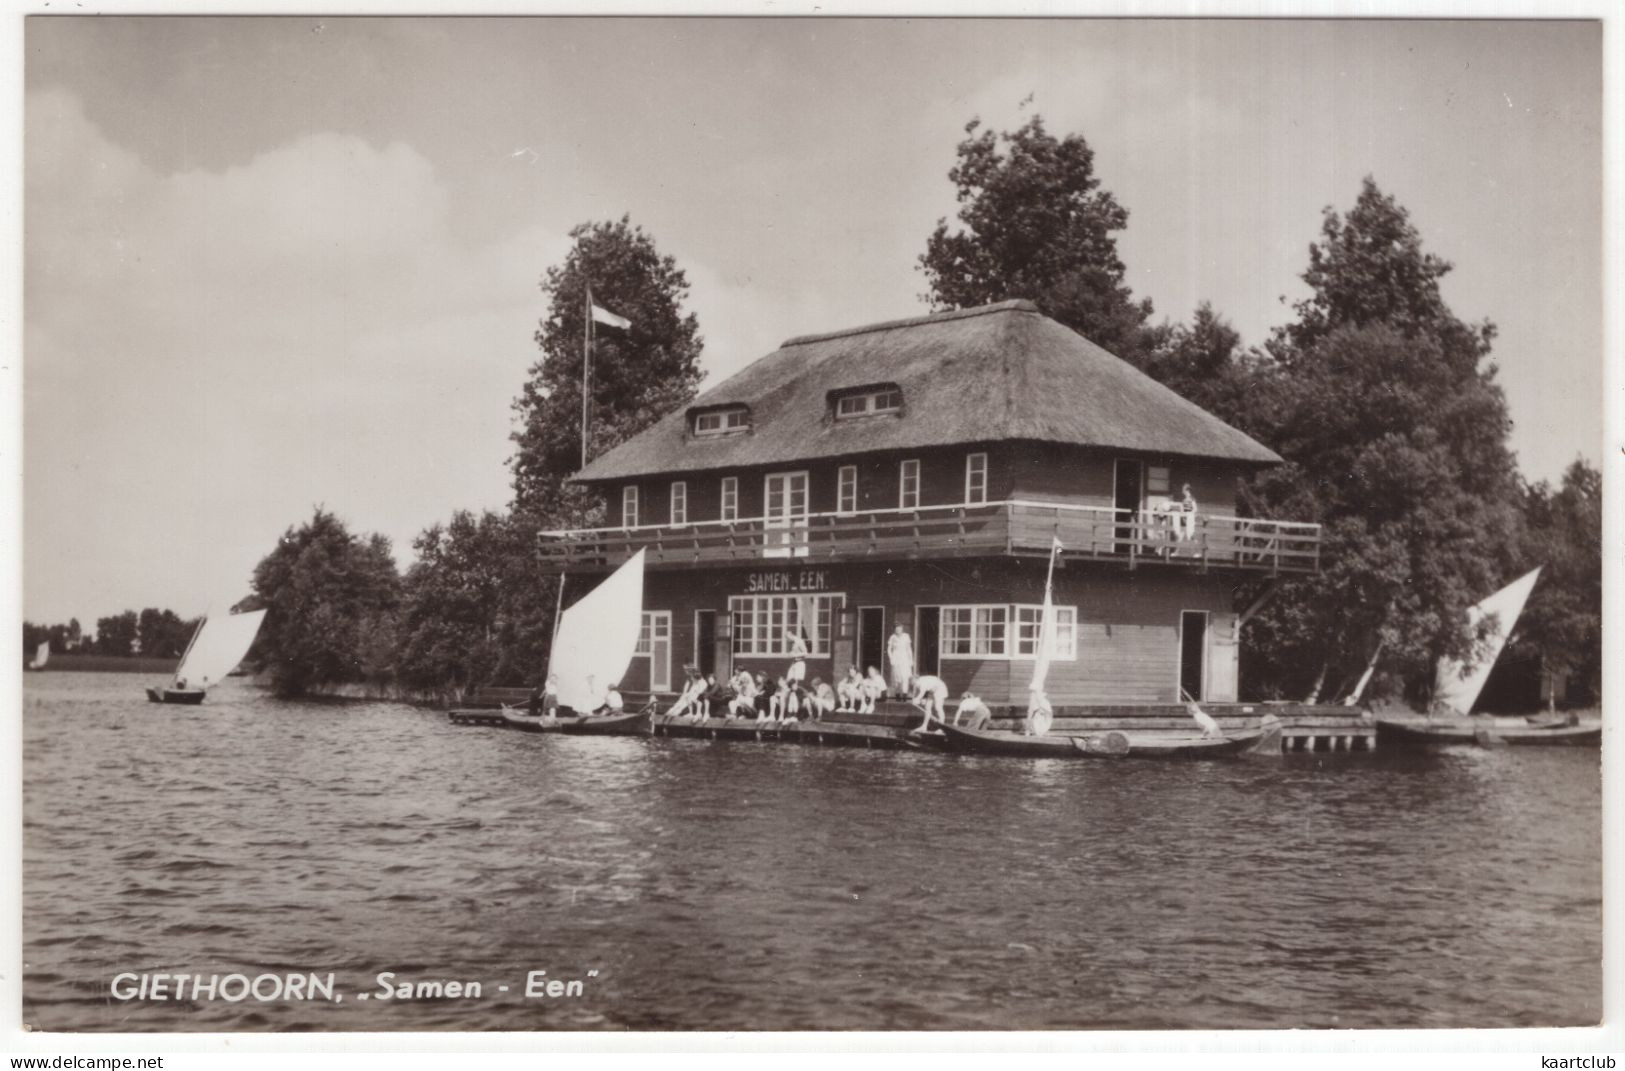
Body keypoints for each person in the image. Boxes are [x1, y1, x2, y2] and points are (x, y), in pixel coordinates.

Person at [887, 625, 915, 697]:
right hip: (896, 659)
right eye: (896, 629)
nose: (898, 630)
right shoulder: (892, 637)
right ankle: (897, 694)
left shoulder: (906, 636)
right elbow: (889, 649)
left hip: (904, 658)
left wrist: (911, 660)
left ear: (902, 629)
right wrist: (891, 658)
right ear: (895, 630)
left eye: (899, 629)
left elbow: (909, 649)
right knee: (896, 677)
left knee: (905, 676)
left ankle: (905, 694)